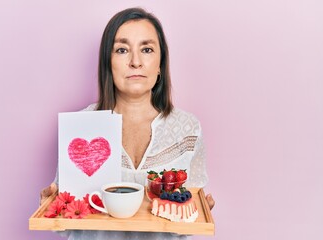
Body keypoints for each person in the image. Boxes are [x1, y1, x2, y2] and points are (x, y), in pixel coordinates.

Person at [40, 7, 215, 240]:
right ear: (107, 63)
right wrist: (50, 208)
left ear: (160, 63)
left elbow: (187, 211)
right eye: (122, 50)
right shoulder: (81, 125)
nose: (135, 62)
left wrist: (197, 212)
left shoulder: (187, 129)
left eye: (147, 49)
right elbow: (70, 216)